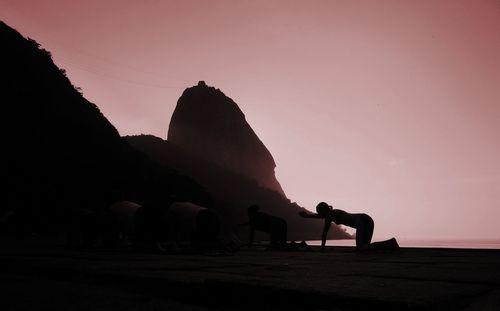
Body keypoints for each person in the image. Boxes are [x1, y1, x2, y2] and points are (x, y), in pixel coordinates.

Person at [299, 202, 399, 252]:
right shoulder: (332, 213)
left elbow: (325, 232)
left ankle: (390, 243)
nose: (320, 215)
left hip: (362, 220)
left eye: (320, 212)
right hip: (366, 219)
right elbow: (320, 216)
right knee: (365, 249)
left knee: (361, 248)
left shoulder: (330, 215)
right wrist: (307, 216)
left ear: (323, 210)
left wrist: (323, 248)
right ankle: (390, 243)